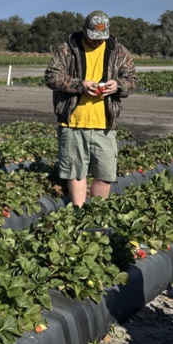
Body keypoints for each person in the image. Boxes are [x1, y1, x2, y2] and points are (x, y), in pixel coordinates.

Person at [44, 11, 137, 208]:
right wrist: (80, 85)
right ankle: (79, 213)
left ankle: (96, 213)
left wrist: (117, 85)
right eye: (93, 37)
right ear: (85, 30)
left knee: (105, 174)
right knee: (75, 173)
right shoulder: (67, 49)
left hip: (104, 123)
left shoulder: (118, 51)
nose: (97, 42)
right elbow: (51, 77)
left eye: (101, 38)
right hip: (73, 121)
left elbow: (132, 79)